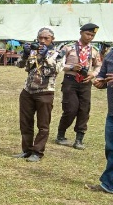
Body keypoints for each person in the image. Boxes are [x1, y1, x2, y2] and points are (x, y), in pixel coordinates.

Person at [13, 27, 65, 163]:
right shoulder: (32, 51)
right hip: (28, 91)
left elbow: (57, 69)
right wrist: (24, 53)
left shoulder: (58, 53)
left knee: (43, 124)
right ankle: (27, 150)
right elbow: (19, 65)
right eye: (40, 38)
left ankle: (37, 152)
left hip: (45, 91)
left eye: (46, 38)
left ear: (52, 39)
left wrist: (46, 55)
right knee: (25, 122)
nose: (42, 41)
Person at [54, 23, 101, 150]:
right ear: (81, 32)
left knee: (84, 110)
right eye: (87, 34)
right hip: (71, 81)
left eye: (92, 35)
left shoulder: (94, 50)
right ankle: (61, 135)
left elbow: (98, 65)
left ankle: (79, 139)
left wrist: (93, 74)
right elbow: (56, 63)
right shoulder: (68, 48)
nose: (90, 37)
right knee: (71, 109)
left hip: (85, 82)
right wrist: (71, 67)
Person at [86, 48, 113, 193]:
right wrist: (100, 82)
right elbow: (102, 76)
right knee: (111, 148)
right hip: (112, 112)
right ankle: (109, 184)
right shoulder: (110, 53)